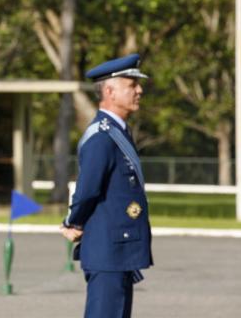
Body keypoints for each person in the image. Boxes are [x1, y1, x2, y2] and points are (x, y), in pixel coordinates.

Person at [59, 54, 153, 318]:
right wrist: (72, 222)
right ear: (109, 91)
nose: (139, 90)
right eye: (132, 85)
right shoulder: (101, 136)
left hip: (118, 248)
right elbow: (87, 189)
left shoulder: (117, 131)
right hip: (108, 249)